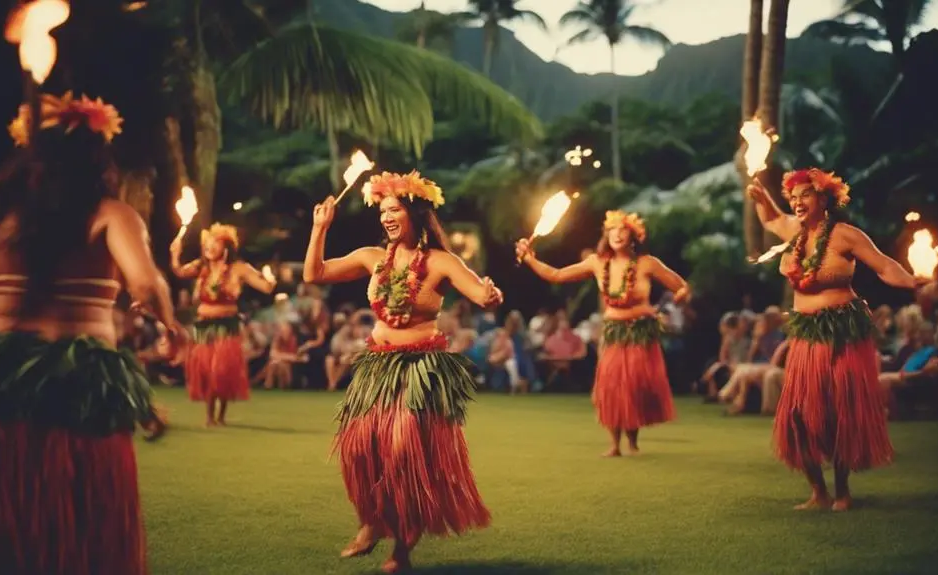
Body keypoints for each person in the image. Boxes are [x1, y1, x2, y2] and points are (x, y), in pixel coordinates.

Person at [0, 91, 186, 573]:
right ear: (98, 157)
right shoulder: (111, 213)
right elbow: (145, 283)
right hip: (79, 385)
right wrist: (170, 324)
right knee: (82, 527)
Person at [304, 171, 502, 573]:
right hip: (377, 367)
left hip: (420, 370)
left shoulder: (442, 262)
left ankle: (403, 549)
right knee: (360, 449)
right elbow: (315, 274)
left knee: (401, 453)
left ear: (415, 212)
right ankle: (371, 521)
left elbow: (482, 295)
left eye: (394, 209)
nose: (386, 217)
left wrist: (491, 294)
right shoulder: (372, 258)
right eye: (382, 210)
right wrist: (319, 228)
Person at [746, 167, 922, 511]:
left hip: (842, 333)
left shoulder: (845, 235)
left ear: (824, 198)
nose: (797, 203)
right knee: (797, 413)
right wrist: (762, 196)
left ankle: (842, 491)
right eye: (793, 198)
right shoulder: (792, 232)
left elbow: (885, 266)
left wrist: (913, 281)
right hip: (806, 335)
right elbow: (770, 218)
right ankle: (818, 492)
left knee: (840, 408)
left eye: (805, 196)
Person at [516, 210, 690, 457]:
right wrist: (530, 259)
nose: (617, 235)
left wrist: (679, 299)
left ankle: (633, 442)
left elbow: (681, 286)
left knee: (634, 387)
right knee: (611, 386)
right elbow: (556, 275)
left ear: (634, 236)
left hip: (641, 333)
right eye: (612, 230)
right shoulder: (597, 263)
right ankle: (615, 444)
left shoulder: (647, 263)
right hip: (613, 333)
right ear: (606, 235)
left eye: (623, 230)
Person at [170, 223, 276, 426]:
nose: (209, 247)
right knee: (207, 370)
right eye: (207, 243)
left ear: (226, 247)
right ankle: (210, 416)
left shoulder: (239, 268)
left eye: (215, 243)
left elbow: (265, 286)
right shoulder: (201, 267)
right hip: (204, 327)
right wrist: (175, 253)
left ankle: (221, 416)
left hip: (227, 327)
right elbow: (179, 272)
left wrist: (270, 279)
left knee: (222, 370)